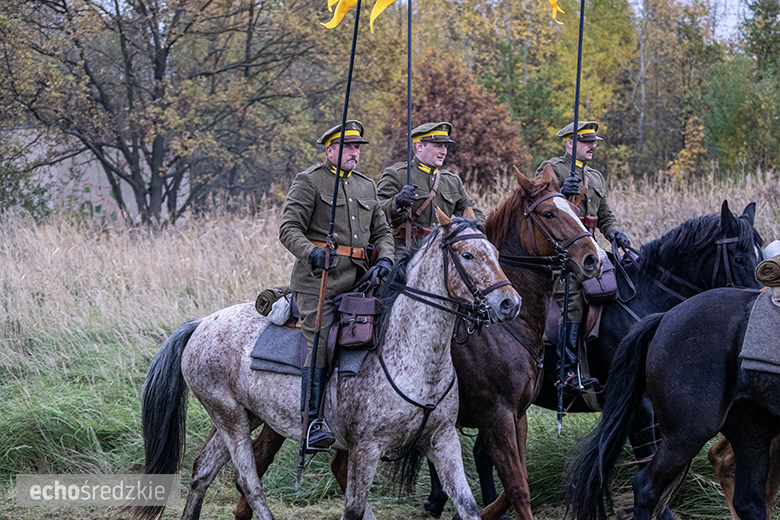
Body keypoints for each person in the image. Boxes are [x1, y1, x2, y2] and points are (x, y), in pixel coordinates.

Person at [279, 120, 395, 449]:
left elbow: (383, 232)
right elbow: (288, 229)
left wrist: (385, 259)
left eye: (358, 147)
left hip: (360, 278)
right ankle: (312, 419)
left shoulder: (366, 185)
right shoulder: (310, 181)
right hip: (320, 282)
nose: (354, 153)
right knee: (320, 337)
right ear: (330, 150)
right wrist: (313, 254)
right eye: (348, 147)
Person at [536, 120, 631, 391]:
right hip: (560, 254)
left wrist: (615, 232)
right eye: (586, 142)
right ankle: (567, 371)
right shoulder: (551, 169)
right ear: (569, 143)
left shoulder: (596, 177)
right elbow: (538, 204)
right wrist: (559, 192)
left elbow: (605, 216)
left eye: (594, 142)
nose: (592, 146)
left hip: (590, 251)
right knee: (573, 299)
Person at [377, 122, 484, 249]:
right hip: (404, 252)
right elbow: (375, 211)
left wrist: (475, 229)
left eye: (445, 146)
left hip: (440, 252)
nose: (443, 152)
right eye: (438, 146)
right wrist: (396, 203)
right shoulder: (398, 174)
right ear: (420, 146)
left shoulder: (452, 182)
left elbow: (475, 214)